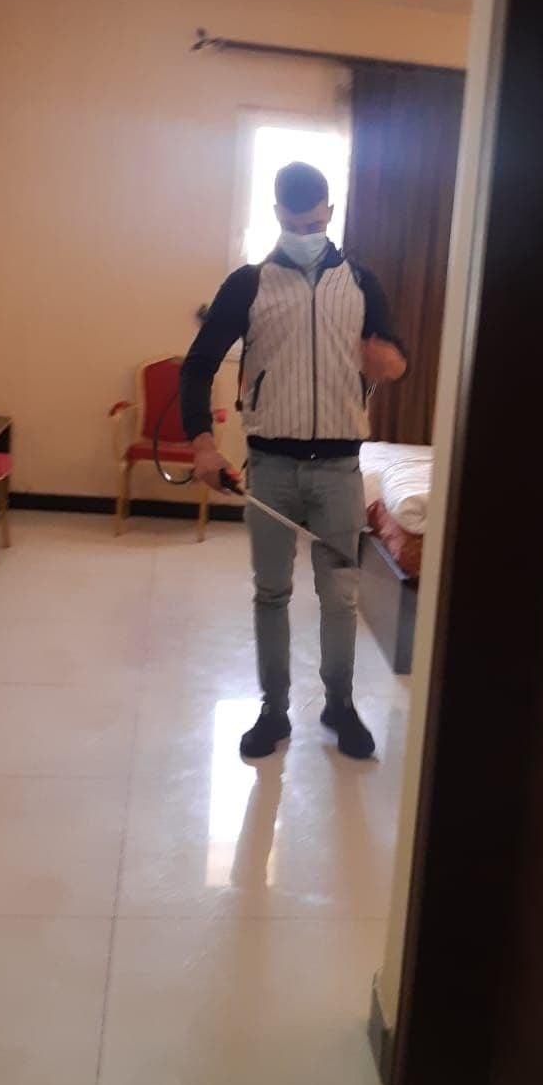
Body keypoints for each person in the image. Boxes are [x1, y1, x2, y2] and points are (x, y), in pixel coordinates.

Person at [180, 161, 407, 759]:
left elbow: (394, 357)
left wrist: (391, 363)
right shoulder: (248, 284)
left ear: (330, 212)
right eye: (294, 221)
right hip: (271, 468)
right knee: (271, 593)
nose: (306, 230)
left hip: (339, 470)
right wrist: (202, 443)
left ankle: (340, 705)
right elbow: (197, 365)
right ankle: (273, 711)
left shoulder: (362, 281)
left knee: (341, 595)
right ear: (277, 214)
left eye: (315, 221)